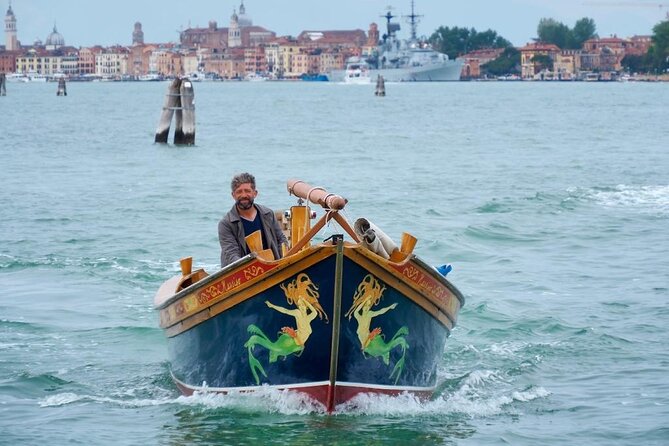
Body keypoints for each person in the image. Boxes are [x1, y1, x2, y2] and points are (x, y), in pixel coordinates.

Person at [218, 172, 287, 267]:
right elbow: (231, 254)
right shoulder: (226, 224)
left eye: (247, 191)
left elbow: (281, 240)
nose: (244, 195)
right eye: (239, 191)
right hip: (242, 274)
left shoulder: (268, 214)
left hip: (272, 267)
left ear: (255, 193)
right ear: (233, 195)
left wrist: (283, 261)